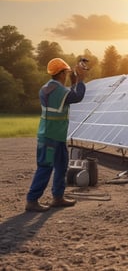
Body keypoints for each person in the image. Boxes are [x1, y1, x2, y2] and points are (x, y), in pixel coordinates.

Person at [25, 58, 87, 212]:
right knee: (45, 167)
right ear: (61, 74)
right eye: (65, 72)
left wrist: (73, 82)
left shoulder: (45, 88)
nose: (66, 75)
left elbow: (66, 97)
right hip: (51, 138)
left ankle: (58, 198)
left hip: (54, 135)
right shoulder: (60, 91)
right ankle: (32, 200)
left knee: (61, 166)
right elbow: (77, 97)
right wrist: (80, 79)